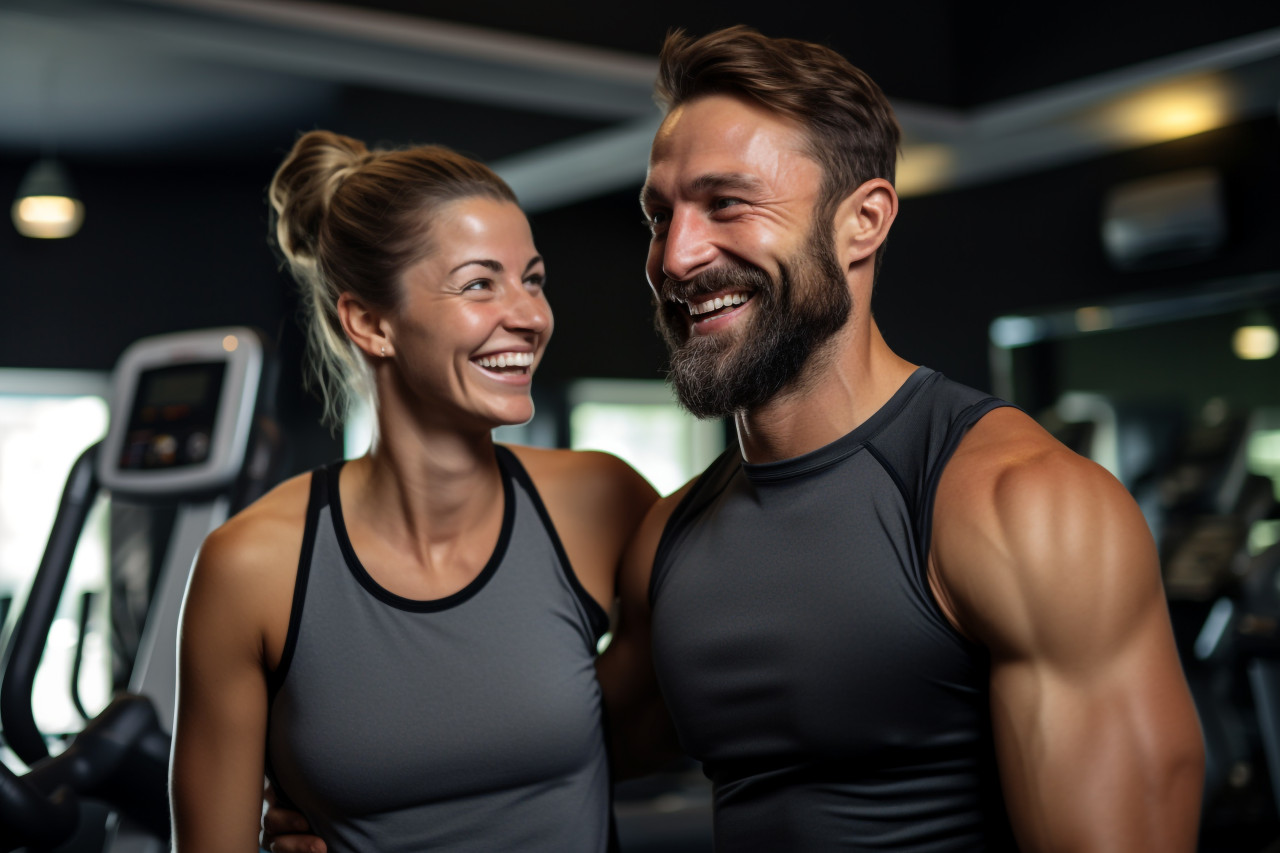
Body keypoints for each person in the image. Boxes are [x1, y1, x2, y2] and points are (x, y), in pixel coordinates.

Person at [266, 26, 1206, 853]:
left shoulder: (1019, 505)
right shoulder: (671, 541)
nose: (676, 256)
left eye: (727, 204)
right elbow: (543, 750)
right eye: (660, 215)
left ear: (862, 220)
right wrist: (329, 790)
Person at [170, 130, 656, 853]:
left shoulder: (600, 503)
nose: (529, 315)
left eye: (533, 278)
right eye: (480, 283)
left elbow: (700, 708)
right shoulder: (252, 568)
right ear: (369, 321)